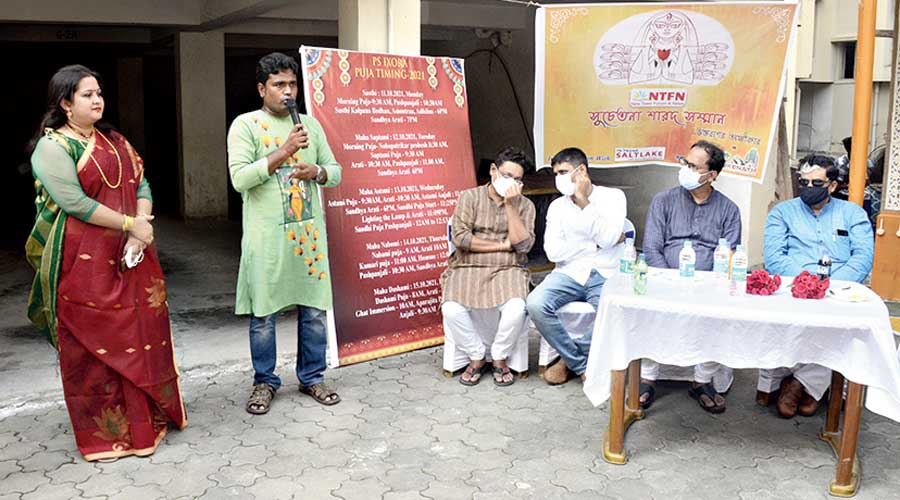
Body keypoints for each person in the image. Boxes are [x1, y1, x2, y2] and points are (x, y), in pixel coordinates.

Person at [24, 65, 186, 461]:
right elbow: (74, 203)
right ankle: (106, 435)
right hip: (83, 260)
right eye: (86, 95)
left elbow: (142, 183)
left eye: (99, 93)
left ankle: (146, 421)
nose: (97, 100)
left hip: (132, 255)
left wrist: (139, 229)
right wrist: (132, 223)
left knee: (139, 335)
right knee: (93, 342)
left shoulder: (113, 139)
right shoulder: (53, 148)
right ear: (65, 103)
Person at [227, 52, 342, 413]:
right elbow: (240, 178)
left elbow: (336, 171)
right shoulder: (245, 125)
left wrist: (317, 172)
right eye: (279, 85)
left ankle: (312, 377)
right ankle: (265, 382)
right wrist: (285, 150)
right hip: (267, 239)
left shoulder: (310, 124)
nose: (288, 92)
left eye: (292, 84)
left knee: (314, 312)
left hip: (308, 237)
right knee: (264, 316)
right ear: (262, 89)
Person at [761, 154, 874, 418]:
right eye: (804, 182)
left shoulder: (852, 214)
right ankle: (811, 387)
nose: (808, 189)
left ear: (832, 186)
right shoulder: (782, 212)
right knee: (795, 323)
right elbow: (775, 257)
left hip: (841, 290)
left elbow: (863, 257)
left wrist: (832, 287)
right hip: (794, 289)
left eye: (817, 183)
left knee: (843, 331)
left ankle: (800, 384)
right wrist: (806, 285)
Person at [640, 140, 741, 413]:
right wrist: (670, 279)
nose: (684, 169)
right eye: (685, 162)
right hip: (665, 277)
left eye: (693, 166)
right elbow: (651, 247)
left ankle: (702, 381)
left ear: (712, 175)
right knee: (651, 311)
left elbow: (729, 254)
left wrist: (705, 284)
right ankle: (647, 378)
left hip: (709, 284)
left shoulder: (729, 210)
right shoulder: (663, 201)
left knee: (719, 317)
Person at [526, 147, 627, 385]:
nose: (558, 178)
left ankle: (565, 362)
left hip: (605, 272)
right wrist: (592, 245)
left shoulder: (613, 197)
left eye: (563, 171)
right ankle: (580, 364)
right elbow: (552, 252)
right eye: (556, 173)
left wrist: (583, 202)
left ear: (581, 171)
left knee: (615, 312)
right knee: (535, 304)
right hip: (568, 273)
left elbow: (608, 240)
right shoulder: (557, 206)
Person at [440, 147, 536, 386]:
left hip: (509, 268)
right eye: (506, 176)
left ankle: (500, 357)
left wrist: (511, 206)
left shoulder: (525, 206)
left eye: (517, 179)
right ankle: (476, 356)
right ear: (493, 170)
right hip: (468, 265)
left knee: (517, 308)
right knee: (451, 308)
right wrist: (503, 245)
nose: (511, 182)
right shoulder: (469, 197)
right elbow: (461, 238)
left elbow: (523, 246)